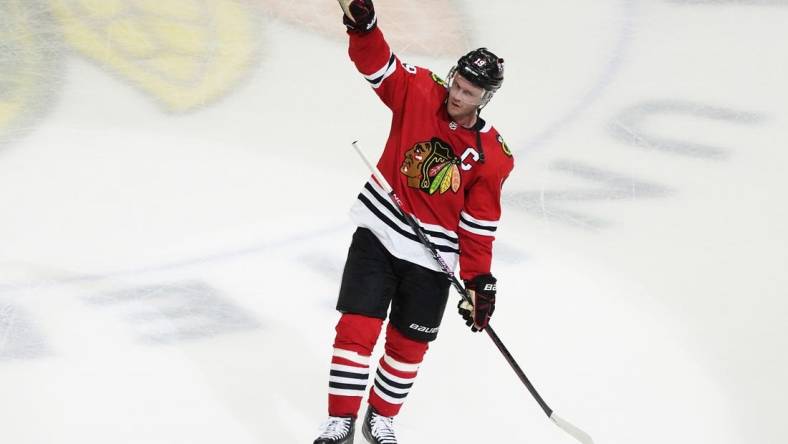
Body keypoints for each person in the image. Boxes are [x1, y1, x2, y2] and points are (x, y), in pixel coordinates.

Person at [314, 1, 513, 443]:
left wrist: (480, 283)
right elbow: (378, 66)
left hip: (433, 256)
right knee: (356, 328)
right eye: (458, 84)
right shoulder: (421, 90)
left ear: (486, 98)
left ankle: (380, 418)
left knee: (409, 346)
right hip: (381, 233)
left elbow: (479, 226)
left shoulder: (493, 155)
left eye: (469, 93)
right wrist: (364, 28)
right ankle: (340, 420)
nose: (458, 95)